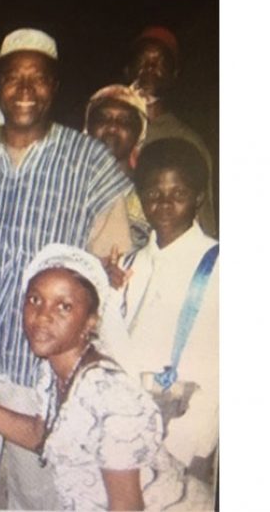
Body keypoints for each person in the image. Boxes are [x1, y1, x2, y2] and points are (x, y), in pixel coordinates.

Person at [0, 28, 133, 509]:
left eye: (38, 79)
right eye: (14, 78)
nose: (25, 90)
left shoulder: (89, 162)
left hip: (43, 363)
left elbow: (110, 268)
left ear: (55, 86)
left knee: (39, 493)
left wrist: (91, 359)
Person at [0, 243, 211, 510]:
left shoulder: (109, 395)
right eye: (35, 299)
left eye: (64, 306)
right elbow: (41, 435)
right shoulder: (57, 371)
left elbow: (127, 507)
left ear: (90, 322)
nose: (43, 316)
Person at [103, 138, 218, 492]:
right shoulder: (128, 264)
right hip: (124, 429)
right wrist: (108, 297)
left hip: (185, 434)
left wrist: (198, 444)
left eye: (178, 192)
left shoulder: (218, 266)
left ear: (198, 197)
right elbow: (112, 349)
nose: (164, 202)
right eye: (153, 192)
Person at [125, 25, 217, 237]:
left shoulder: (186, 140)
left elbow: (204, 219)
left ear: (173, 75)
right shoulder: (107, 129)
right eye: (143, 60)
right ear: (128, 69)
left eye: (160, 63)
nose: (149, 68)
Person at [85, 83, 152, 247]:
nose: (113, 126)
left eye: (125, 120)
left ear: (140, 133)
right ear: (87, 127)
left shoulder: (152, 192)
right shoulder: (65, 185)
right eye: (102, 118)